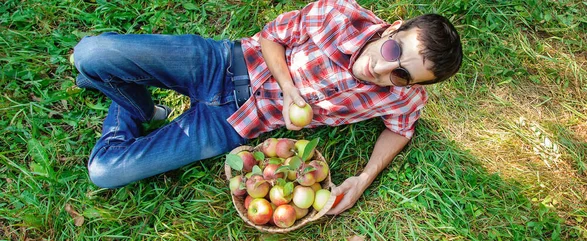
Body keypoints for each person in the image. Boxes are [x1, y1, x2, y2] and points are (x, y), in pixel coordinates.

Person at [72, 0, 462, 215]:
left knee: (104, 172)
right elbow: (272, 36)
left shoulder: (402, 97)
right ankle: (136, 104)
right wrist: (290, 89)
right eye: (395, 51)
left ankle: (134, 108)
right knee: (89, 55)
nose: (382, 68)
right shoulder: (339, 15)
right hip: (221, 63)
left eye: (403, 75)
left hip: (232, 124)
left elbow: (400, 128)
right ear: (394, 27)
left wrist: (362, 180)